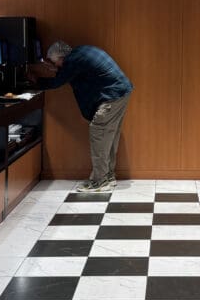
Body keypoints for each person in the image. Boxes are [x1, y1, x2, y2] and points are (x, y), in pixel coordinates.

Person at [29, 41, 133, 192]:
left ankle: (100, 181)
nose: (55, 65)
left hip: (112, 95)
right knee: (109, 135)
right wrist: (57, 69)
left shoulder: (73, 61)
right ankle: (108, 176)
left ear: (60, 57)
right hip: (121, 92)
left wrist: (36, 81)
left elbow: (57, 82)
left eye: (54, 61)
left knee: (99, 134)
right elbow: (69, 74)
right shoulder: (81, 52)